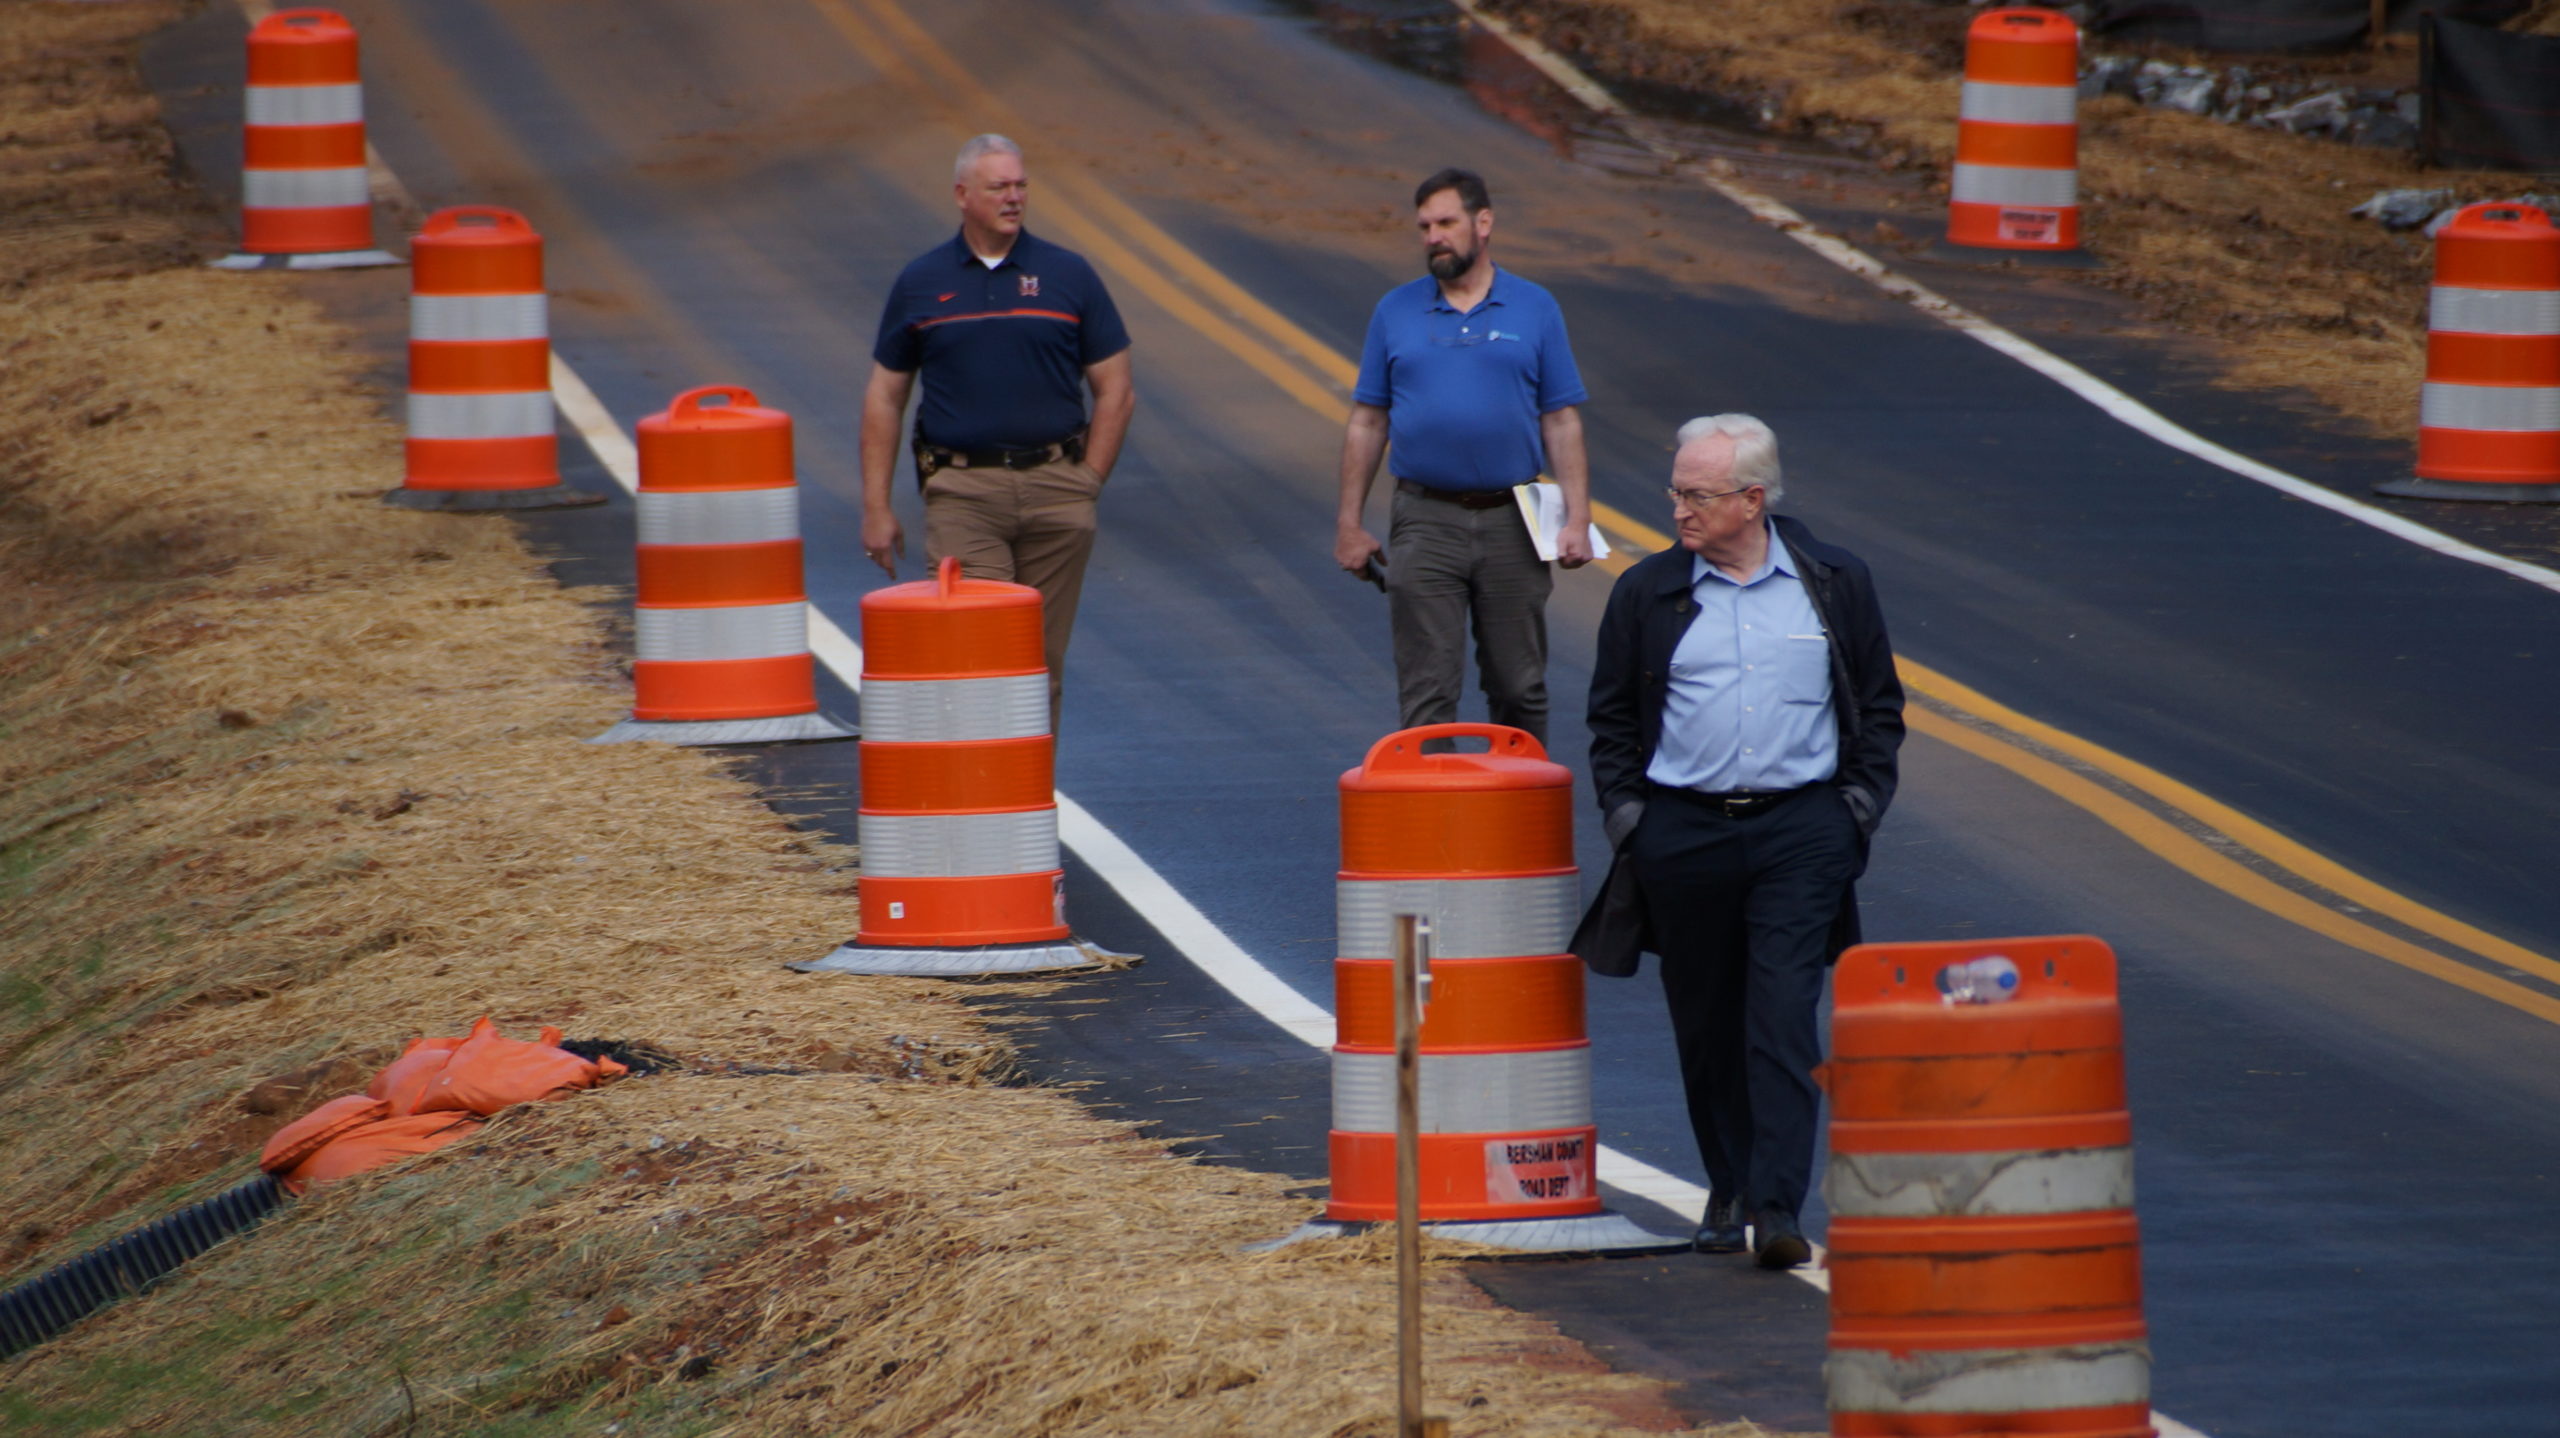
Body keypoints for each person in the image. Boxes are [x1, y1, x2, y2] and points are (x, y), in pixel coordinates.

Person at [1581, 414, 1904, 1269]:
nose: (1679, 508)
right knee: (1708, 1021)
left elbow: (1878, 708)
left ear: (1751, 500)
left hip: (1802, 832)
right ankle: (1726, 1186)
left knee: (1783, 1018)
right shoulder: (1647, 592)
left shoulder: (1835, 582)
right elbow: (1611, 720)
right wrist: (1632, 822)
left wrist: (1854, 814)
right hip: (1682, 834)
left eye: (1696, 494)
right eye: (1677, 491)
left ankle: (1777, 1209)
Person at [860, 134, 1137, 724]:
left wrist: (1087, 480)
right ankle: (973, 801)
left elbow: (1116, 388)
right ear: (962, 195)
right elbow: (886, 396)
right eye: (999, 187)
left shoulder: (1069, 275)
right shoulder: (921, 281)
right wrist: (876, 507)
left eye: (1020, 186)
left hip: (1058, 493)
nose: (1014, 198)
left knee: (1040, 666)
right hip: (964, 496)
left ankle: (1027, 806)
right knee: (978, 655)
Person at [1334, 167, 1591, 747]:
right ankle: (1439, 830)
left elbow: (1561, 417)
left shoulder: (1535, 307)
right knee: (1428, 696)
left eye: (1446, 222)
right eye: (1424, 226)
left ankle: (1519, 822)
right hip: (1425, 522)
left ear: (1483, 223)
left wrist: (1577, 519)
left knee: (1519, 687)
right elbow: (1368, 421)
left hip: (1513, 520)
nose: (1433, 237)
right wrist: (1349, 525)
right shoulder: (1395, 312)